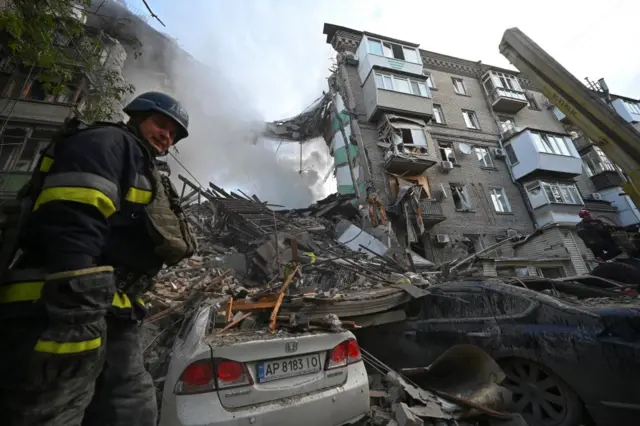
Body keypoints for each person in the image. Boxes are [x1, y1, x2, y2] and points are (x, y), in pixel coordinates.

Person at [0, 92, 197, 426]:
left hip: (113, 309)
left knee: (131, 407)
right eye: (160, 124)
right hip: (60, 305)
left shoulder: (141, 163)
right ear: (136, 117)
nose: (167, 136)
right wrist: (77, 300)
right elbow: (73, 216)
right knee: (52, 408)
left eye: (173, 134)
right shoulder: (107, 143)